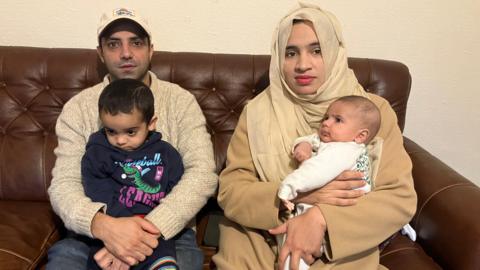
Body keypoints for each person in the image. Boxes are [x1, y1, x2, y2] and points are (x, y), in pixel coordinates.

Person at [212, 2, 416, 270]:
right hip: (263, 232)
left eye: (317, 50)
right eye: (291, 52)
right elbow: (231, 190)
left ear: (334, 52)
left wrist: (321, 218)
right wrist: (299, 196)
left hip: (342, 237)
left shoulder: (374, 112)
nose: (302, 65)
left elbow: (398, 197)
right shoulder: (257, 113)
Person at [47, 7, 217, 270]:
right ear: (100, 53)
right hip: (94, 232)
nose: (126, 53)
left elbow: (202, 175)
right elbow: (64, 185)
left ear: (150, 49)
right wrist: (104, 227)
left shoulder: (180, 101)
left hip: (167, 229)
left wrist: (144, 232)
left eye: (136, 43)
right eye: (114, 44)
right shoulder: (79, 107)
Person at [82, 79, 181, 269]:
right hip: (113, 225)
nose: (120, 140)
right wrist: (120, 228)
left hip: (153, 226)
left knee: (163, 252)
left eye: (130, 132)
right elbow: (96, 190)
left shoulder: (167, 153)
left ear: (151, 123)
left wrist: (150, 224)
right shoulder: (98, 153)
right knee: (100, 257)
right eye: (111, 131)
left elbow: (178, 189)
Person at [278, 95, 380, 270]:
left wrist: (288, 188)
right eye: (326, 117)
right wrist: (303, 145)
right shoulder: (337, 142)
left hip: (335, 213)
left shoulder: (343, 151)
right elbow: (311, 139)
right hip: (332, 212)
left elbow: (315, 173)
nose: (326, 123)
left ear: (360, 136)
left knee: (292, 254)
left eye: (338, 120)